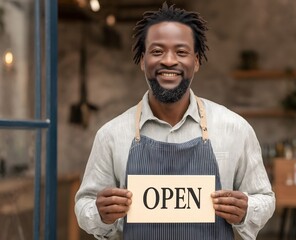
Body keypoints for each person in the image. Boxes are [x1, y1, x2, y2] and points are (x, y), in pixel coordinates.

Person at [75, 3, 275, 240]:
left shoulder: (235, 129)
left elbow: (264, 198)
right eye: (157, 51)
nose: (169, 61)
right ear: (142, 60)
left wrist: (247, 210)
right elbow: (85, 203)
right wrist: (100, 213)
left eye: (181, 52)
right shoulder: (111, 134)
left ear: (197, 61)